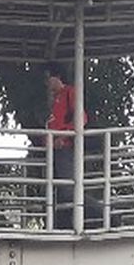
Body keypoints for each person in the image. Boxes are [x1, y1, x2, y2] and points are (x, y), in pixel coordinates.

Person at [43, 61, 85, 230]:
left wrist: (63, 136)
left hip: (65, 149)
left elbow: (81, 119)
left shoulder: (70, 93)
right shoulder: (55, 100)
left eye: (48, 78)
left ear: (57, 77)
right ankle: (62, 225)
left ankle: (103, 211)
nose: (46, 83)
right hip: (54, 150)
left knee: (68, 192)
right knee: (59, 192)